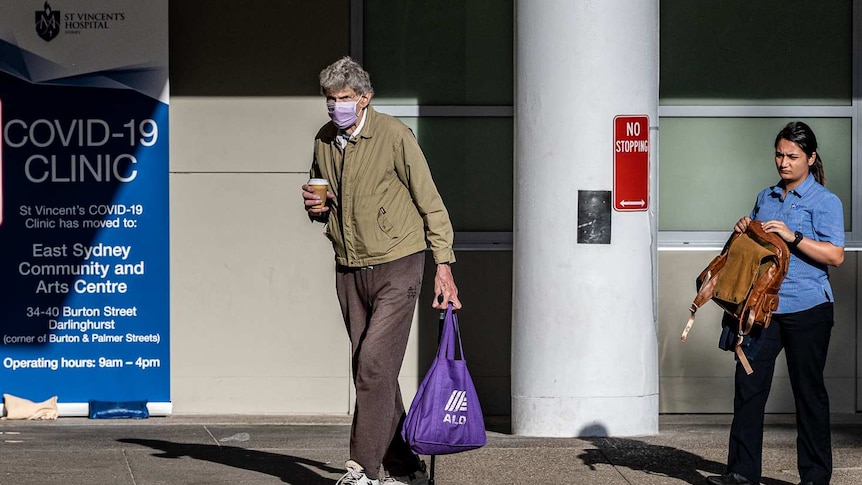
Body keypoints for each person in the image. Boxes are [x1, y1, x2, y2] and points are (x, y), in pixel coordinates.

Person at [301, 56, 462, 485]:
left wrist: (443, 264)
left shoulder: (393, 135)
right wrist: (318, 208)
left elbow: (430, 200)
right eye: (331, 99)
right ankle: (405, 466)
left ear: (365, 98)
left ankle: (362, 469)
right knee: (372, 368)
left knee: (374, 363)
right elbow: (326, 196)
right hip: (349, 265)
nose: (337, 107)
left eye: (345, 99)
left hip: (398, 261)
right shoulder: (324, 139)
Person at [707, 121, 844, 485]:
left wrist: (793, 236)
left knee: (808, 393)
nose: (783, 163)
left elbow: (835, 256)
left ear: (810, 158)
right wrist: (743, 229)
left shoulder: (825, 202)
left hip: (808, 309)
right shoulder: (766, 196)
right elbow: (755, 251)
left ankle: (815, 477)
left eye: (792, 156)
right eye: (779, 155)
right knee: (748, 386)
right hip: (762, 309)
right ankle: (741, 473)